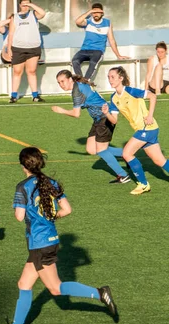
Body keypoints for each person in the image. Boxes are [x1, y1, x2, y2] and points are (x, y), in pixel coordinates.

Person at [0, 147, 117, 324]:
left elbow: (19, 217)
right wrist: (50, 216)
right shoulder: (51, 182)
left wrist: (21, 208)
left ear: (23, 166)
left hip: (39, 244)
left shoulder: (22, 187)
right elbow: (66, 209)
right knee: (24, 284)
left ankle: (100, 293)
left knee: (55, 288)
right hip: (50, 240)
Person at [52, 70, 130, 184]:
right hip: (98, 120)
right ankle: (127, 153)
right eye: (59, 82)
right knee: (91, 149)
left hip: (105, 118)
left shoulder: (77, 90)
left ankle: (123, 175)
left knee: (102, 151)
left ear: (70, 79)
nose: (61, 84)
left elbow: (76, 114)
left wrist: (61, 110)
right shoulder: (78, 86)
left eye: (63, 81)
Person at [103, 67, 169, 195]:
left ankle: (143, 184)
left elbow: (153, 96)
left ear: (121, 78)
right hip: (146, 129)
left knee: (127, 153)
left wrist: (150, 115)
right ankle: (143, 184)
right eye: (108, 77)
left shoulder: (130, 91)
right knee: (159, 161)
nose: (110, 79)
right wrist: (106, 113)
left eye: (112, 77)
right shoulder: (114, 98)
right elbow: (114, 120)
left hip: (147, 128)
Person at [72, 3, 128, 81]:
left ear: (102, 13)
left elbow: (111, 40)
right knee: (75, 61)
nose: (95, 14)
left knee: (93, 63)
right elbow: (77, 22)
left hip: (97, 51)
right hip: (84, 50)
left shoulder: (107, 23)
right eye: (94, 12)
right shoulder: (88, 22)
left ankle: (86, 81)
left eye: (98, 12)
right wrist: (89, 11)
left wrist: (118, 55)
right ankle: (80, 80)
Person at [7, 0, 46, 103]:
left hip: (33, 48)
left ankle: (35, 95)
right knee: (17, 72)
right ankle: (14, 96)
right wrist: (9, 48)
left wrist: (31, 5)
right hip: (18, 48)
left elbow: (43, 13)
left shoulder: (34, 14)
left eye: (27, 4)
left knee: (31, 71)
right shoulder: (14, 17)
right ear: (19, 5)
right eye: (23, 4)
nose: (25, 6)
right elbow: (11, 34)